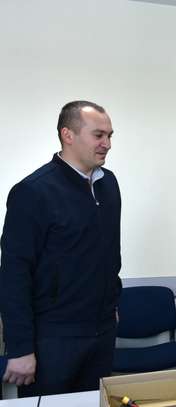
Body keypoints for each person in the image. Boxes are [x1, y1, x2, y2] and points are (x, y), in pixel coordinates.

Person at [0, 101, 121, 396]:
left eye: (110, 136)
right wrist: (20, 348)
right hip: (53, 339)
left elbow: (109, 254)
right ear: (68, 135)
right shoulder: (33, 192)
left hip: (101, 332)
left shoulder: (109, 185)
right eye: (98, 135)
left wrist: (112, 303)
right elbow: (14, 274)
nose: (107, 144)